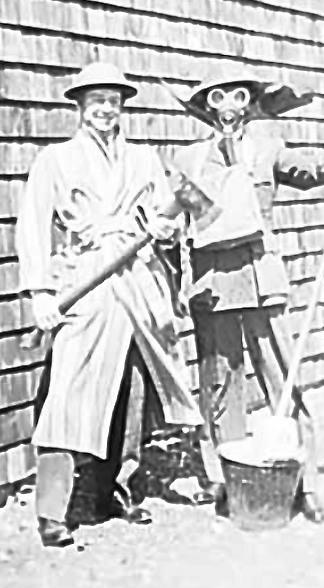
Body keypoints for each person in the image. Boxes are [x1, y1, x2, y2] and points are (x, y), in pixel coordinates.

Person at [172, 70, 324, 523]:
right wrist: (175, 286)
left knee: (281, 376)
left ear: (248, 105)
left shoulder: (268, 149)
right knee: (220, 384)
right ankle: (225, 479)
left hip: (260, 277)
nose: (228, 108)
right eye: (217, 99)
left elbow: (312, 174)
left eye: (237, 98)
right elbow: (171, 222)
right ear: (206, 108)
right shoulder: (188, 159)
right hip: (212, 284)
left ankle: (305, 484)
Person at [16, 62, 202, 548]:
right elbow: (33, 226)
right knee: (68, 395)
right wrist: (40, 292)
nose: (105, 109)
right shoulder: (55, 160)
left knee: (129, 393)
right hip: (87, 281)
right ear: (79, 105)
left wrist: (165, 229)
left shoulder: (143, 159)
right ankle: (52, 511)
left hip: (138, 280)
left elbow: (169, 217)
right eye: (96, 100)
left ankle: (114, 491)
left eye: (113, 101)